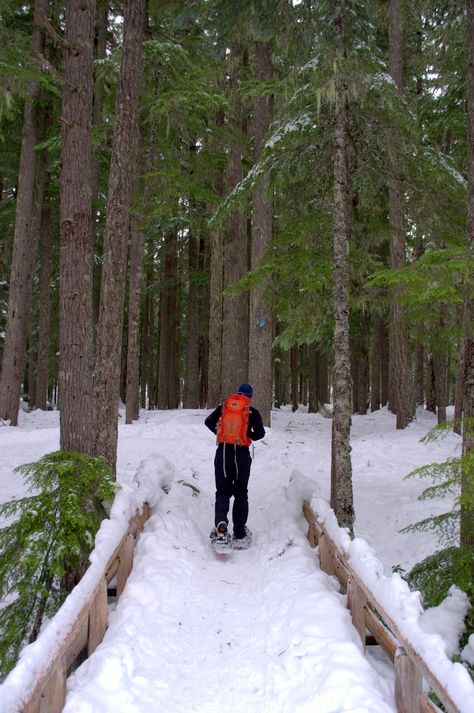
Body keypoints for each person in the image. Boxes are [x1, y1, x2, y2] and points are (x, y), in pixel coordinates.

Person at [205, 383, 265, 548]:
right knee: (240, 493)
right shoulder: (252, 412)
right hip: (242, 456)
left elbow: (208, 422)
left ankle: (221, 529)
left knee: (223, 492)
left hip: (223, 453)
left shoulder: (223, 407)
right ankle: (239, 533)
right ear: (250, 397)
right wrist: (248, 435)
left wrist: (220, 433)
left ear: (237, 394)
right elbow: (260, 433)